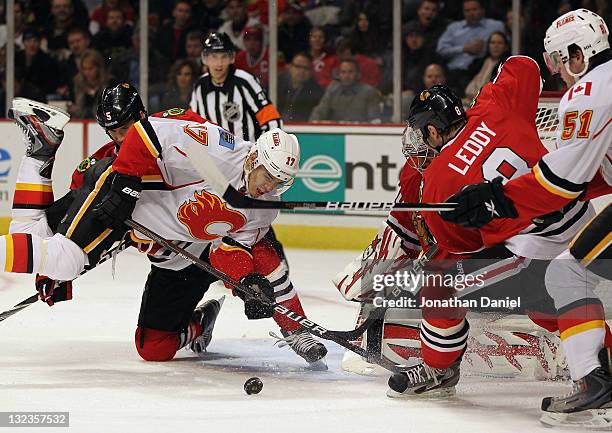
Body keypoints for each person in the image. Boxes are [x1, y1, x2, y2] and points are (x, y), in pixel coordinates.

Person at [5, 87, 328, 366]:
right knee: (58, 256)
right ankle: (41, 152)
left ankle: (40, 151)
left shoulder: (260, 210)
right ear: (252, 158)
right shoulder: (219, 149)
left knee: (154, 347)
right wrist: (127, 181)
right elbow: (145, 135)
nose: (268, 186)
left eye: (278, 182)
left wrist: (246, 281)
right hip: (127, 206)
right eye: (267, 175)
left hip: (179, 251)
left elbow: (229, 248)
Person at [385, 57, 600, 400]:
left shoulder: (439, 181)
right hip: (585, 220)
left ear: (433, 131)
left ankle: (439, 367)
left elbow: (462, 247)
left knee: (439, 283)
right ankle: (597, 366)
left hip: (540, 248)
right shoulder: (495, 104)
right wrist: (488, 93)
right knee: (547, 307)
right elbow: (524, 66)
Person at [438, 9, 611, 426]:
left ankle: (598, 388)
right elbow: (598, 176)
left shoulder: (591, 89)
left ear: (578, 52)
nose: (560, 73)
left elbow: (562, 183)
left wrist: (497, 198)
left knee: (566, 275)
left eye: (559, 60)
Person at [190, 32, 282, 141]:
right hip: (213, 156)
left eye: (224, 57)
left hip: (246, 155)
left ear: (231, 58)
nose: (219, 63)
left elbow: (272, 120)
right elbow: (193, 124)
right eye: (214, 57)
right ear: (205, 59)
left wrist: (265, 149)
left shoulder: (245, 81)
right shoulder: (200, 86)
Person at [436, 0, 504, 95]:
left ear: (482, 10)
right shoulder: (454, 27)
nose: (471, 13)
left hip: (478, 71)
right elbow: (440, 49)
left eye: (474, 9)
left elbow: (504, 46)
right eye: (467, 10)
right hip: (452, 73)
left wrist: (484, 48)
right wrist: (464, 48)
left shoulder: (496, 26)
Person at [309, 58, 381, 123]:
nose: (346, 76)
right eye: (343, 72)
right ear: (339, 75)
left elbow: (374, 120)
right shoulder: (333, 90)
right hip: (335, 135)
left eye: (350, 72)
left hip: (360, 134)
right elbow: (318, 113)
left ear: (358, 74)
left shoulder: (369, 92)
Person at [463, 31, 509, 103]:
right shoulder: (478, 63)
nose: (495, 46)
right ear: (488, 46)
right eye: (493, 42)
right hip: (467, 99)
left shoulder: (506, 67)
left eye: (499, 43)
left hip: (489, 102)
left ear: (505, 47)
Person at [277, 52, 323, 121]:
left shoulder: (316, 92)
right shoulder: (278, 83)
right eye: (298, 66)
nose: (301, 71)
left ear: (311, 71)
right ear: (290, 67)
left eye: (305, 68)